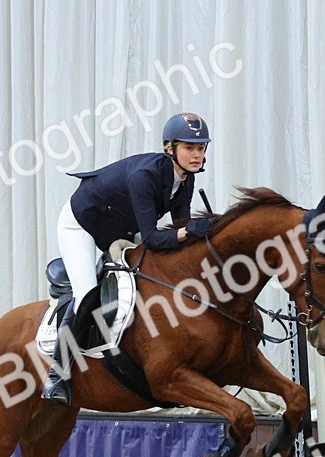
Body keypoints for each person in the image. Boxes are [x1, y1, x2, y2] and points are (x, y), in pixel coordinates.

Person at [43, 112, 215, 405]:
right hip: (82, 224)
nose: (196, 154)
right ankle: (57, 376)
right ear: (169, 148)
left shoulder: (186, 180)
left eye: (200, 148)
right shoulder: (145, 176)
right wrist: (189, 232)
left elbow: (177, 231)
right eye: (189, 147)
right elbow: (151, 238)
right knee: (86, 296)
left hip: (120, 226)